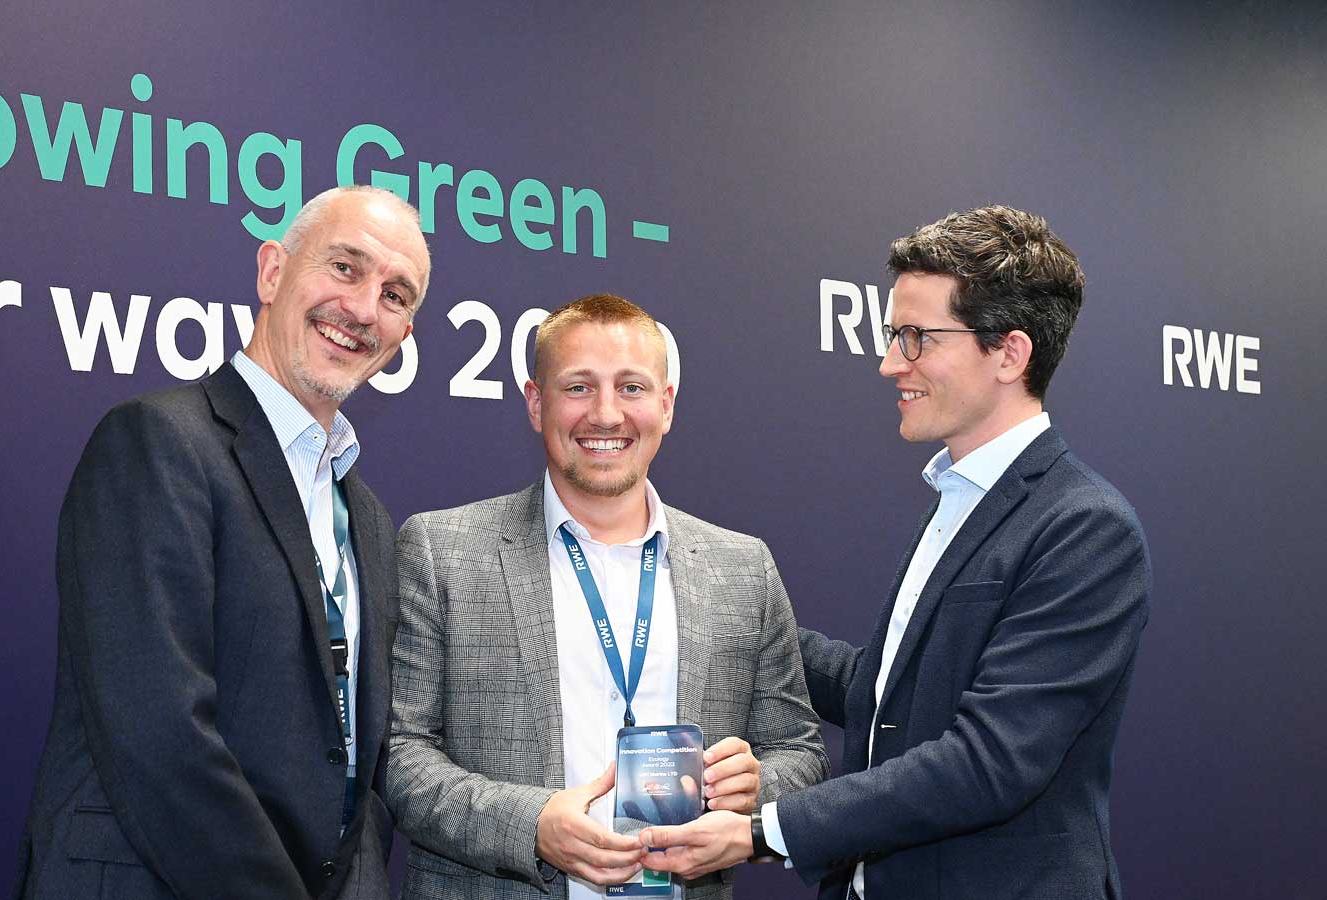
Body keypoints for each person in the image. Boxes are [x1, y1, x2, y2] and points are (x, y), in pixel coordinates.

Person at [638, 206, 1152, 900]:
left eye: (916, 339)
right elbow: (889, 697)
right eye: (892, 336)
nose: (889, 364)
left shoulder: (1086, 528)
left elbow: (988, 762)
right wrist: (748, 619)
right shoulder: (959, 498)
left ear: (1009, 352)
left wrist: (762, 830)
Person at [12, 185, 430, 900]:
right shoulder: (158, 445)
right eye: (345, 268)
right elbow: (159, 737)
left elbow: (359, 767)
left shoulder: (368, 519)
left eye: (396, 295)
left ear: (403, 337)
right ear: (272, 272)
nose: (364, 308)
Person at [386, 294, 828, 900]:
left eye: (631, 387)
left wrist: (757, 787)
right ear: (536, 403)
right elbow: (401, 757)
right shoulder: (442, 549)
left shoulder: (743, 567)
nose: (606, 413)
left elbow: (798, 752)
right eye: (578, 387)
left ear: (666, 405)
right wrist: (531, 825)